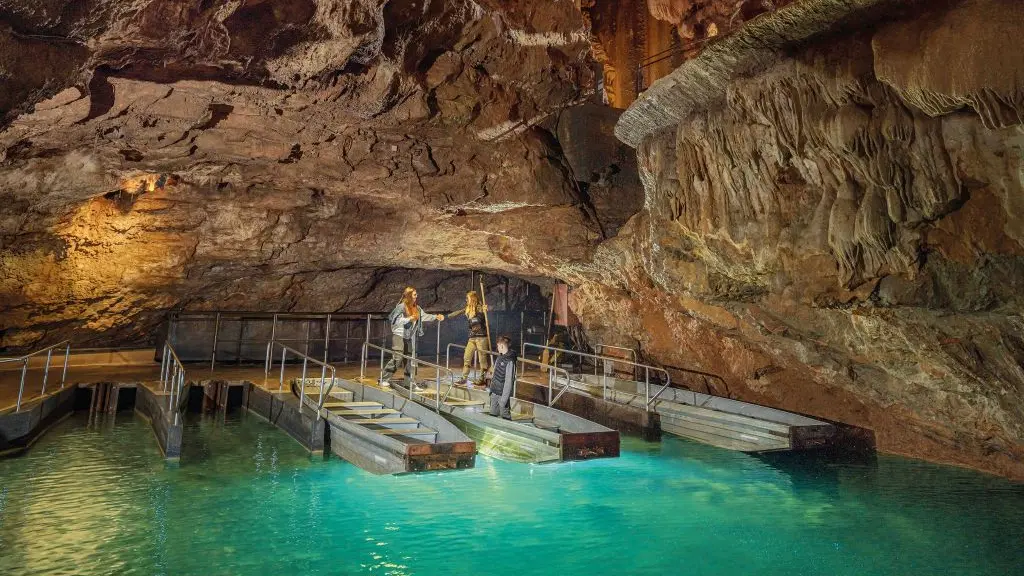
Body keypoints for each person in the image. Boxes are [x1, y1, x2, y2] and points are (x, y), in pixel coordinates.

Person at [381, 287, 444, 389]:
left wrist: (436, 317)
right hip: (399, 335)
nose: (416, 296)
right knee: (398, 357)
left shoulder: (417, 308)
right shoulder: (401, 307)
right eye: (414, 294)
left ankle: (409, 384)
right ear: (409, 296)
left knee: (409, 360)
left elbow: (423, 316)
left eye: (416, 294)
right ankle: (384, 379)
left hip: (408, 337)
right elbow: (394, 320)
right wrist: (409, 319)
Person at [446, 291, 489, 386]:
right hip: (472, 337)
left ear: (472, 299)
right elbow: (457, 312)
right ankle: (464, 378)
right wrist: (446, 317)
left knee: (482, 359)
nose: (466, 300)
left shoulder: (480, 308)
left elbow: (482, 316)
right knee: (467, 357)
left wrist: (485, 310)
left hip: (481, 337)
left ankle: (482, 378)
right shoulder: (468, 309)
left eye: (467, 298)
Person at [488, 335, 517, 419]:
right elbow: (494, 374)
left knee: (505, 418)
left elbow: (509, 382)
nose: (497, 348)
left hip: (502, 395)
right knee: (492, 416)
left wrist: (504, 400)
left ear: (501, 345)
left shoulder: (510, 361)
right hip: (494, 392)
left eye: (498, 346)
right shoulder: (499, 358)